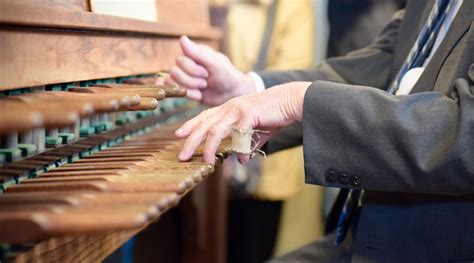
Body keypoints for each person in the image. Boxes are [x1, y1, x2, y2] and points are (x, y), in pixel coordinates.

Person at [167, 0, 474, 261]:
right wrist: (250, 88)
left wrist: (298, 100)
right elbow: (380, 66)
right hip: (366, 233)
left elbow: (465, 135)